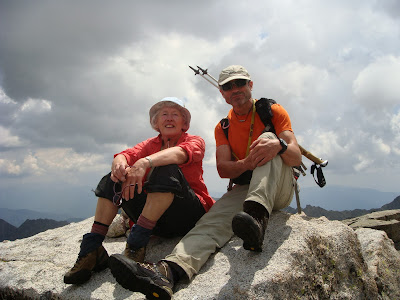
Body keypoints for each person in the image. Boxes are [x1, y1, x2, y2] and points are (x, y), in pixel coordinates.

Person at [108, 66, 302, 300]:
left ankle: (258, 217)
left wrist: (278, 146)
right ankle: (169, 271)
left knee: (268, 139)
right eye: (228, 86)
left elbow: (295, 157)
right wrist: (247, 164)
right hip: (245, 188)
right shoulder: (224, 127)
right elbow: (223, 169)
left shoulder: (272, 111)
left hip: (277, 187)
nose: (234, 89)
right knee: (210, 223)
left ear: (250, 85)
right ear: (222, 93)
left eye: (239, 83)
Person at [63, 97, 215, 285]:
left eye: (175, 114)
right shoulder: (149, 144)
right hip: (158, 222)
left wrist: (145, 162)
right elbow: (125, 155)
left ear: (184, 123)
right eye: (164, 115)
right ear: (156, 123)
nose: (169, 118)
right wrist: (119, 165)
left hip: (188, 215)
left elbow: (181, 154)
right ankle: (92, 250)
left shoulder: (194, 141)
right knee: (114, 179)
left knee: (166, 168)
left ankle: (136, 246)